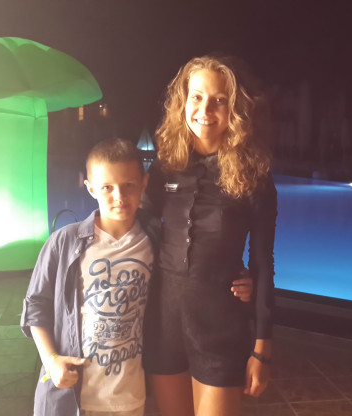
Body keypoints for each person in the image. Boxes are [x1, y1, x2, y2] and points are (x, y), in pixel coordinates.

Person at [20, 138, 252, 416]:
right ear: (91, 188)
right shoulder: (64, 243)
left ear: (144, 184)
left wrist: (240, 278)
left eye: (128, 185)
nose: (119, 196)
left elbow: (192, 265)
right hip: (72, 398)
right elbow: (36, 305)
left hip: (129, 397)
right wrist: (51, 360)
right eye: (107, 187)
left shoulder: (155, 241)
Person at [143, 55, 277, 416]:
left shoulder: (254, 177)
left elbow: (263, 262)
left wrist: (262, 348)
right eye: (197, 97)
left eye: (219, 100)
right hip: (164, 320)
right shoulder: (166, 166)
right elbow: (138, 228)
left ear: (235, 109)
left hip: (221, 324)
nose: (205, 110)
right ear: (183, 102)